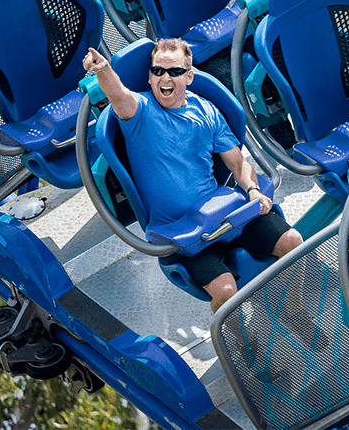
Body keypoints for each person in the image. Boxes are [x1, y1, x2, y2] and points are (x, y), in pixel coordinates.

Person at [83, 39, 303, 314]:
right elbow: (118, 95)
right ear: (150, 78)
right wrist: (103, 69)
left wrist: (253, 190)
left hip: (223, 214)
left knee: (293, 243)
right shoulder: (139, 112)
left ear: (188, 76)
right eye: (158, 71)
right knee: (225, 292)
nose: (165, 78)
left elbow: (238, 163)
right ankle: (236, 339)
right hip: (182, 233)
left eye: (174, 71)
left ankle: (295, 312)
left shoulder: (206, 111)